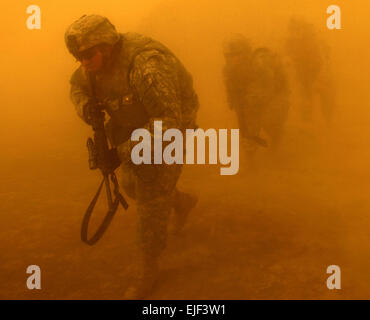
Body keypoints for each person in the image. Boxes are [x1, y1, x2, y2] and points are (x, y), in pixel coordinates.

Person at [65, 14, 198, 299]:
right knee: (131, 186)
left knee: (150, 195)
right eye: (78, 56)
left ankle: (146, 270)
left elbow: (168, 122)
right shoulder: (91, 67)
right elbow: (76, 87)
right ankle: (181, 201)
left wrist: (122, 153)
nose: (84, 62)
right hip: (136, 126)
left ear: (107, 45)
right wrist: (85, 106)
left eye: (88, 54)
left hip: (172, 126)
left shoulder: (146, 65)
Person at [223, 34, 290, 157]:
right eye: (229, 56)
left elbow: (270, 85)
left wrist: (256, 98)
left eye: (235, 54)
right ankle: (250, 160)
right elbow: (230, 86)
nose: (231, 59)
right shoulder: (229, 69)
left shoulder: (259, 64)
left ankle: (277, 139)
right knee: (246, 129)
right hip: (248, 100)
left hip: (273, 97)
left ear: (245, 53)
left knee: (270, 123)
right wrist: (234, 101)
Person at [285, 17, 335, 123]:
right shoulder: (291, 41)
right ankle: (307, 123)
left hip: (319, 73)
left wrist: (317, 78)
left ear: (302, 29)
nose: (294, 33)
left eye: (296, 30)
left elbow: (321, 60)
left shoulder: (312, 41)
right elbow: (287, 55)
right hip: (304, 75)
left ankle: (328, 121)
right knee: (306, 100)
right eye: (292, 30)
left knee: (325, 99)